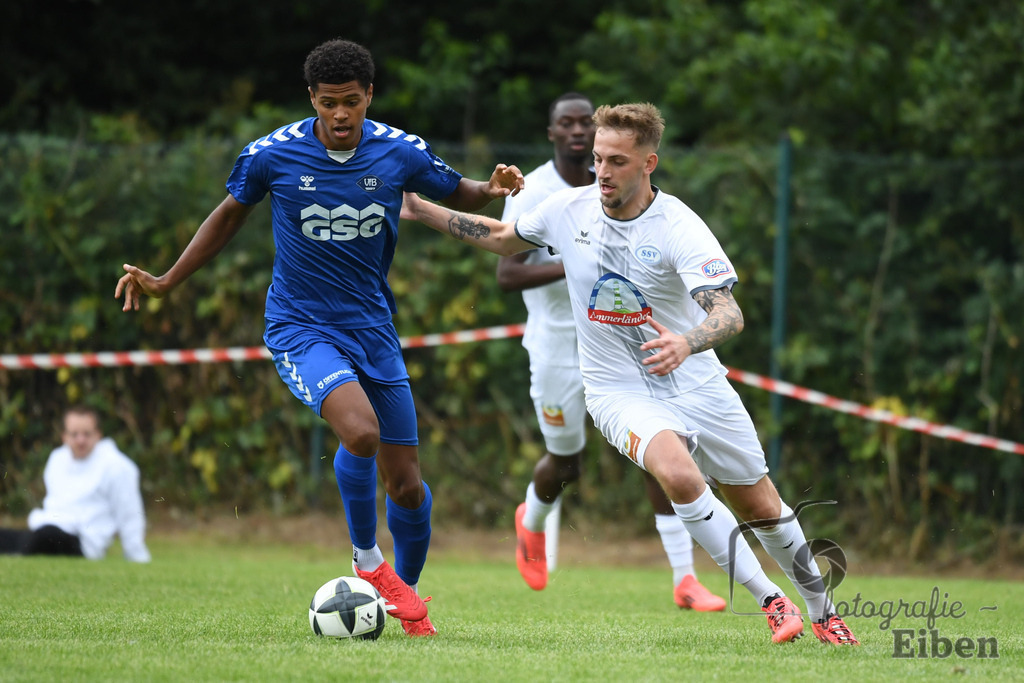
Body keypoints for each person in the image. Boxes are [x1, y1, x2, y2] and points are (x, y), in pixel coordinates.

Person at [401, 102, 859, 645]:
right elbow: (502, 239)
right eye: (597, 159)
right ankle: (770, 600)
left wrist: (687, 341)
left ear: (649, 163)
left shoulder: (680, 226)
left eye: (616, 161)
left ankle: (823, 611)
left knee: (763, 506)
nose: (602, 172)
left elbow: (729, 313)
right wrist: (417, 207)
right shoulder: (568, 210)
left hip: (695, 380)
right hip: (615, 389)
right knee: (679, 474)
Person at [114, 38, 523, 637]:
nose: (339, 114)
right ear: (312, 99)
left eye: (351, 102)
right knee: (360, 432)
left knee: (407, 488)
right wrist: (168, 280)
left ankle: (403, 599)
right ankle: (367, 561)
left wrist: (488, 189)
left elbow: (452, 190)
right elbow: (228, 215)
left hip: (374, 329)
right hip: (300, 327)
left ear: (368, 98)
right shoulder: (271, 155)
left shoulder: (398, 152)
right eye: (328, 102)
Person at [497, 93, 724, 611]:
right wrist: (581, 263)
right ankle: (531, 520)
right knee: (566, 462)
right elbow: (507, 272)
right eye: (566, 124)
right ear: (552, 132)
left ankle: (685, 580)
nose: (578, 132)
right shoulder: (537, 191)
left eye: (585, 123)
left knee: (661, 454)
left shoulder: (629, 191)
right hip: (557, 344)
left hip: (624, 343)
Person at [0, 405, 151, 563]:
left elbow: (129, 513)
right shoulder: (57, 459)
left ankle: (19, 556)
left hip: (82, 542)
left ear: (98, 435)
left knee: (46, 536)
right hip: (47, 529)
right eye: (74, 434)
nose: (81, 440)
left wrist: (136, 554)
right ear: (64, 436)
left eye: (87, 434)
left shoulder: (117, 466)